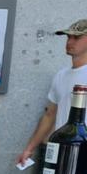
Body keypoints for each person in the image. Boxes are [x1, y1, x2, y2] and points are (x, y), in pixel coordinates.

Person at [17, 18, 87, 165]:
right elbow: (50, 115)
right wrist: (29, 149)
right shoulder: (61, 75)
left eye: (77, 37)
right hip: (62, 150)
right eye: (68, 37)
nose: (70, 41)